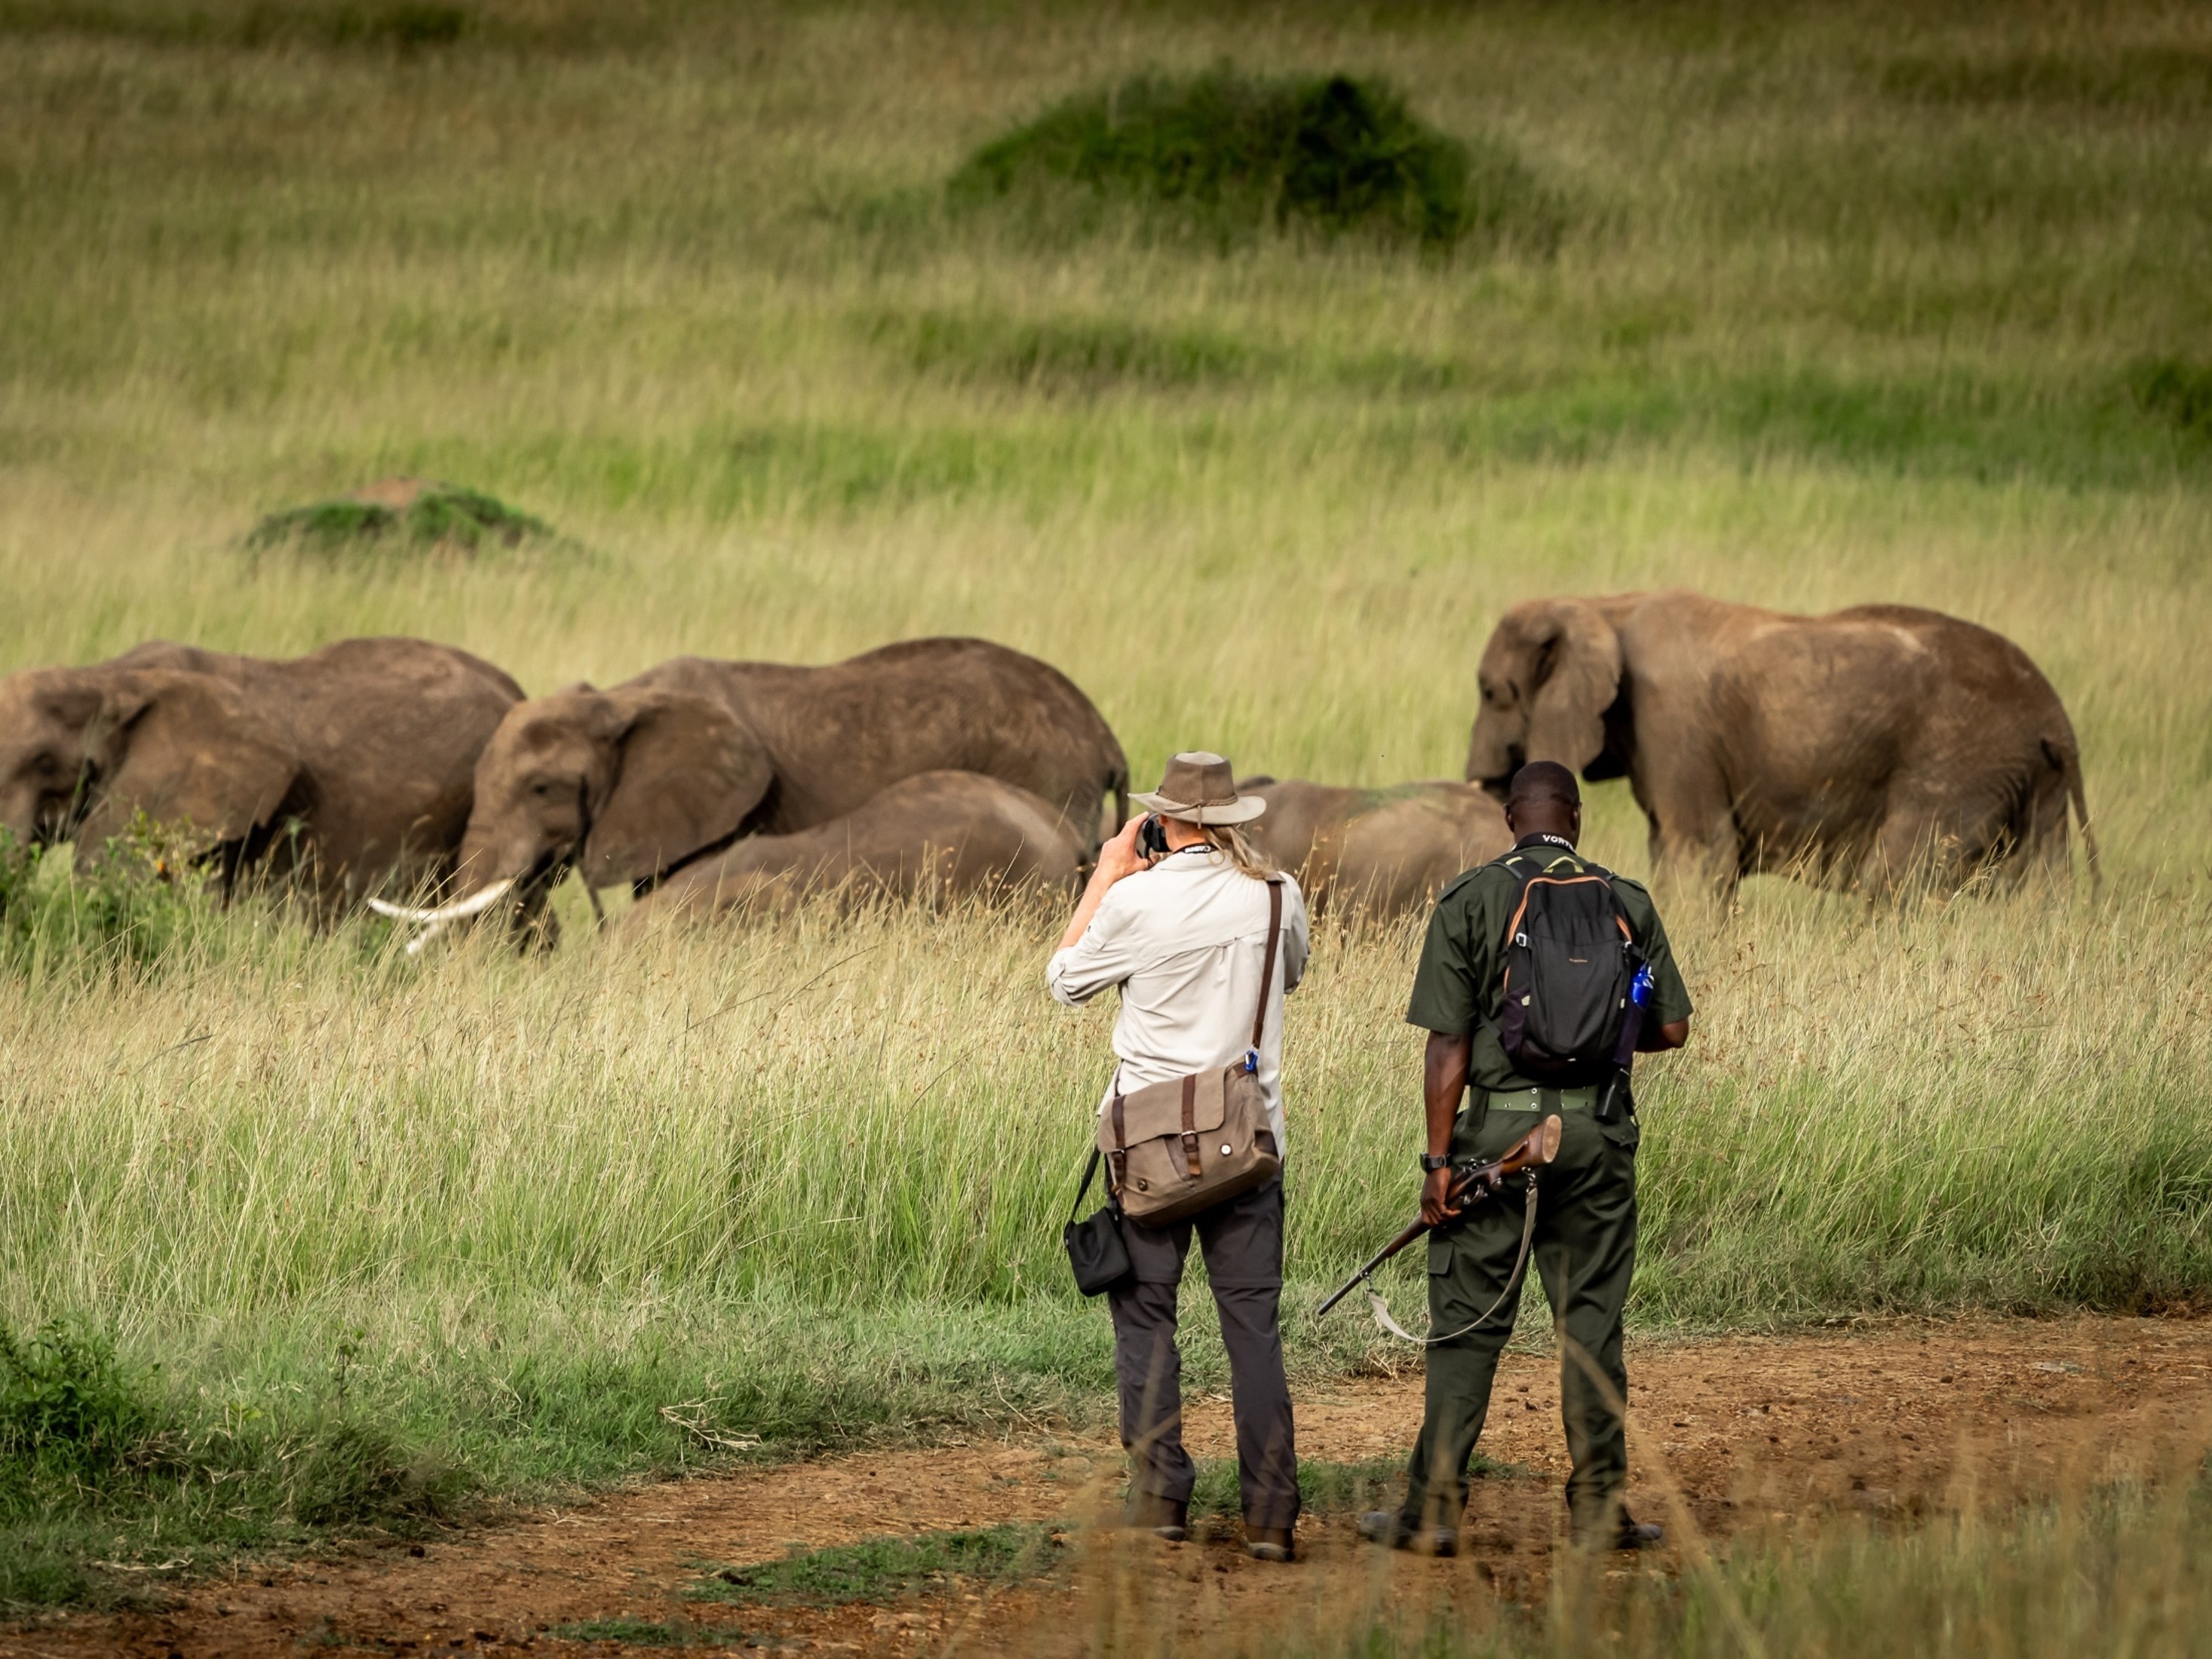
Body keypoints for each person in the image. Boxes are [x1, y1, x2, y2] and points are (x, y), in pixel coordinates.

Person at [1359, 760, 1692, 1556]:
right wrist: (1609, 1034)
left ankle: (1433, 1511)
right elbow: (1673, 1028)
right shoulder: (1625, 901)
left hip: (1494, 1145)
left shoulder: (1472, 898)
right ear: (1574, 818)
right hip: (1598, 1140)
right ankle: (1597, 1513)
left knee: (1469, 1326)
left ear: (1511, 817)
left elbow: (1446, 1046)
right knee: (1590, 1327)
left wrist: (1437, 1163)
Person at [1048, 751, 1311, 1562]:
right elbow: (1290, 976)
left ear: (1163, 820)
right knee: (1251, 1331)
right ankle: (1268, 1515)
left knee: (1146, 1324)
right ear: (1230, 820)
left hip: (1149, 1148)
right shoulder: (1277, 895)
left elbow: (1063, 981)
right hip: (1247, 1144)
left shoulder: (1133, 898)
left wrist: (1106, 869)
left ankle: (1161, 1498)